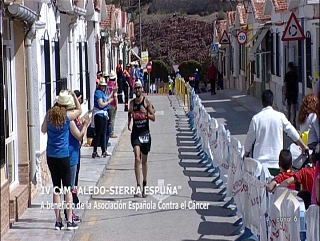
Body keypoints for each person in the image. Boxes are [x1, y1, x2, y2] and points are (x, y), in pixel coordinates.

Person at [41, 90, 81, 230]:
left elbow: (42, 130)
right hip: (64, 155)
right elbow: (79, 110)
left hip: (51, 155)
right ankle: (69, 220)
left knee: (56, 188)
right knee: (68, 189)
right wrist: (75, 96)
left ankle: (58, 220)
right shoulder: (67, 116)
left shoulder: (49, 115)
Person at [244, 90, 308, 172]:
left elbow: (250, 139)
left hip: (260, 164)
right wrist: (303, 146)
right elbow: (292, 132)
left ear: (262, 103)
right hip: (277, 163)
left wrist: (246, 153)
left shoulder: (256, 119)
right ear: (272, 102)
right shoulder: (280, 116)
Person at [128, 80, 155, 198]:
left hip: (145, 133)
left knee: (144, 161)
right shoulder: (132, 103)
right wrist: (129, 123)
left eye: (139, 88)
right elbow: (129, 113)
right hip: (135, 134)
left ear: (142, 89)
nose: (137, 90)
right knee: (137, 158)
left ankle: (145, 183)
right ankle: (138, 186)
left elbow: (153, 117)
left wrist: (146, 114)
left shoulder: (146, 101)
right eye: (136, 88)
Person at [65, 95, 91, 222]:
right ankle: (69, 214)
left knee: (70, 184)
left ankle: (71, 205)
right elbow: (79, 136)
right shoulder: (69, 119)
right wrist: (86, 125)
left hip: (70, 153)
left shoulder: (63, 118)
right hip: (72, 154)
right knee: (70, 185)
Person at [91, 77, 115, 158]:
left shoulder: (103, 93)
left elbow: (107, 98)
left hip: (104, 115)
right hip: (99, 114)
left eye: (104, 86)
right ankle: (95, 151)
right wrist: (108, 102)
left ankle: (104, 150)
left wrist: (113, 92)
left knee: (104, 133)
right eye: (102, 86)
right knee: (99, 133)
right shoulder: (98, 93)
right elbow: (101, 104)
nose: (104, 88)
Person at [284, 62, 299, 126]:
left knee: (289, 107)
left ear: (288, 67)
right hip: (294, 92)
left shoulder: (287, 75)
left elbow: (285, 85)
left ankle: (288, 120)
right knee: (294, 107)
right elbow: (297, 83)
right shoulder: (295, 74)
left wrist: (285, 94)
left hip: (289, 92)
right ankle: (294, 120)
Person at [107, 70, 118, 138]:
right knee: (112, 119)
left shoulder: (107, 84)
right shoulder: (114, 85)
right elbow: (115, 95)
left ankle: (108, 131)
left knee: (108, 119)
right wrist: (117, 104)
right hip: (113, 103)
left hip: (107, 103)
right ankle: (111, 132)